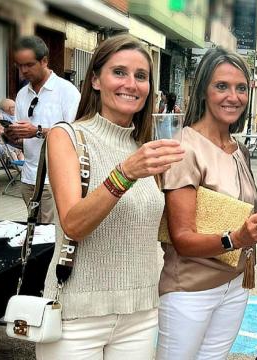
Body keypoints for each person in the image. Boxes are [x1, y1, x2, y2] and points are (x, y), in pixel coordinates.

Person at [35, 34, 185, 359]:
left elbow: (158, 229)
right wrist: (126, 173)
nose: (131, 83)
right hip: (78, 313)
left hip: (141, 312)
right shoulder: (67, 137)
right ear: (95, 79)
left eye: (141, 76)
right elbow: (73, 223)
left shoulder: (147, 150)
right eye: (119, 72)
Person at [157, 47, 257, 359]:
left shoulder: (236, 148)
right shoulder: (185, 147)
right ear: (203, 90)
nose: (233, 96)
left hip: (235, 284)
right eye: (221, 86)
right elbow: (182, 239)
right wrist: (239, 238)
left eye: (241, 88)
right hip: (190, 290)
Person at [5, 35, 81, 223]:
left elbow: (76, 134)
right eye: (19, 65)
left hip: (54, 181)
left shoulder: (67, 91)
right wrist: (11, 136)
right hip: (29, 179)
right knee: (33, 233)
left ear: (44, 61)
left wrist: (37, 131)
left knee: (50, 239)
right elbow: (23, 140)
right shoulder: (23, 94)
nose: (23, 71)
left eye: (29, 65)